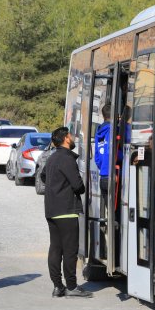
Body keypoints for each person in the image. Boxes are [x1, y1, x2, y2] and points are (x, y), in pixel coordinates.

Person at [43, 126, 93, 298]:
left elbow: (43, 176)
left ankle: (58, 286)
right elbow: (78, 186)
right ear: (65, 139)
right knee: (70, 250)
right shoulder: (67, 158)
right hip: (67, 210)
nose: (72, 138)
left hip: (51, 209)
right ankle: (71, 286)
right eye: (70, 136)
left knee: (55, 249)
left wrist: (56, 187)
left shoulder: (52, 158)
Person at [94, 104, 112, 218]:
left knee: (110, 214)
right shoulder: (112, 130)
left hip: (103, 177)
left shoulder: (99, 131)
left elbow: (97, 157)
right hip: (113, 177)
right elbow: (112, 152)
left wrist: (103, 167)